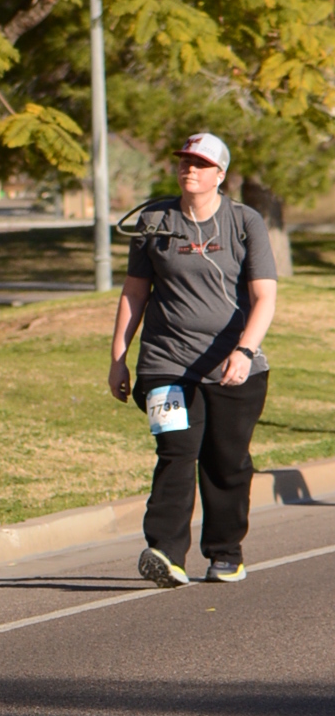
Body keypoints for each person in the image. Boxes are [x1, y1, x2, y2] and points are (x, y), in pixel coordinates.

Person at [107, 130, 278, 588]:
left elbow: (264, 296)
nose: (190, 169)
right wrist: (119, 357)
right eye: (185, 161)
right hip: (166, 360)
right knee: (176, 452)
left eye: (201, 164)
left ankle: (225, 553)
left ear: (220, 174)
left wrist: (245, 350)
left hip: (231, 365)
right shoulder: (154, 220)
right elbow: (134, 292)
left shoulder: (244, 222)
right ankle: (165, 552)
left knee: (226, 461)